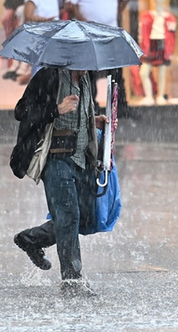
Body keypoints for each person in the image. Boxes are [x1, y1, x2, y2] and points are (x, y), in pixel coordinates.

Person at [10, 67, 108, 298]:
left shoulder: (85, 79)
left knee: (82, 217)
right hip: (56, 157)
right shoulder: (49, 76)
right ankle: (72, 280)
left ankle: (31, 239)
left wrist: (92, 121)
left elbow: (77, 116)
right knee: (68, 216)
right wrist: (56, 109)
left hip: (82, 157)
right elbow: (22, 110)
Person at [65, 0, 133, 117]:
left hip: (110, 33)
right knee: (88, 73)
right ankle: (91, 106)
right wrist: (84, 22)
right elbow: (70, 4)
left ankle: (120, 106)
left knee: (115, 71)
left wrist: (116, 13)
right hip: (88, 35)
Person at [138, 0, 176, 106]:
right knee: (144, 72)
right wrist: (142, 47)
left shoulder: (169, 17)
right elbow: (142, 32)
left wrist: (170, 50)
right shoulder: (146, 15)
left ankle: (160, 96)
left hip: (163, 44)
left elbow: (172, 35)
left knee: (162, 73)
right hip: (149, 44)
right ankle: (149, 96)